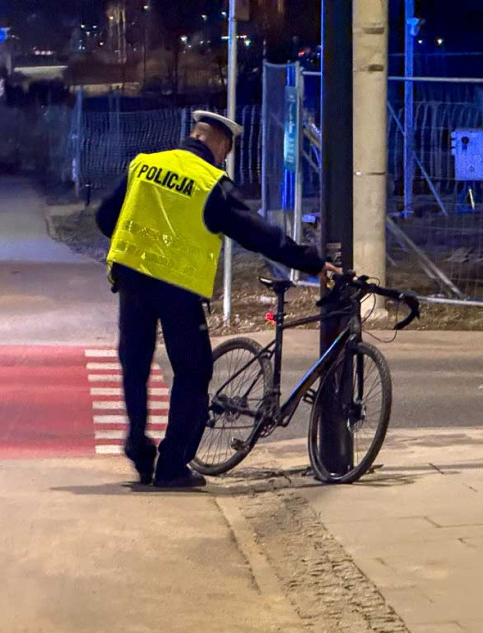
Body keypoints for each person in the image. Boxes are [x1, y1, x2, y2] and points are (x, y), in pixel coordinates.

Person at [96, 111, 339, 489]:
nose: (225, 156)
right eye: (226, 149)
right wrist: (311, 262)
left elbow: (104, 217)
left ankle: (138, 447)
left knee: (135, 364)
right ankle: (172, 466)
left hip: (133, 281)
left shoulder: (144, 166)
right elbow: (259, 234)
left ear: (193, 133)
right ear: (220, 144)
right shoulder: (211, 184)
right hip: (177, 288)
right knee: (193, 372)